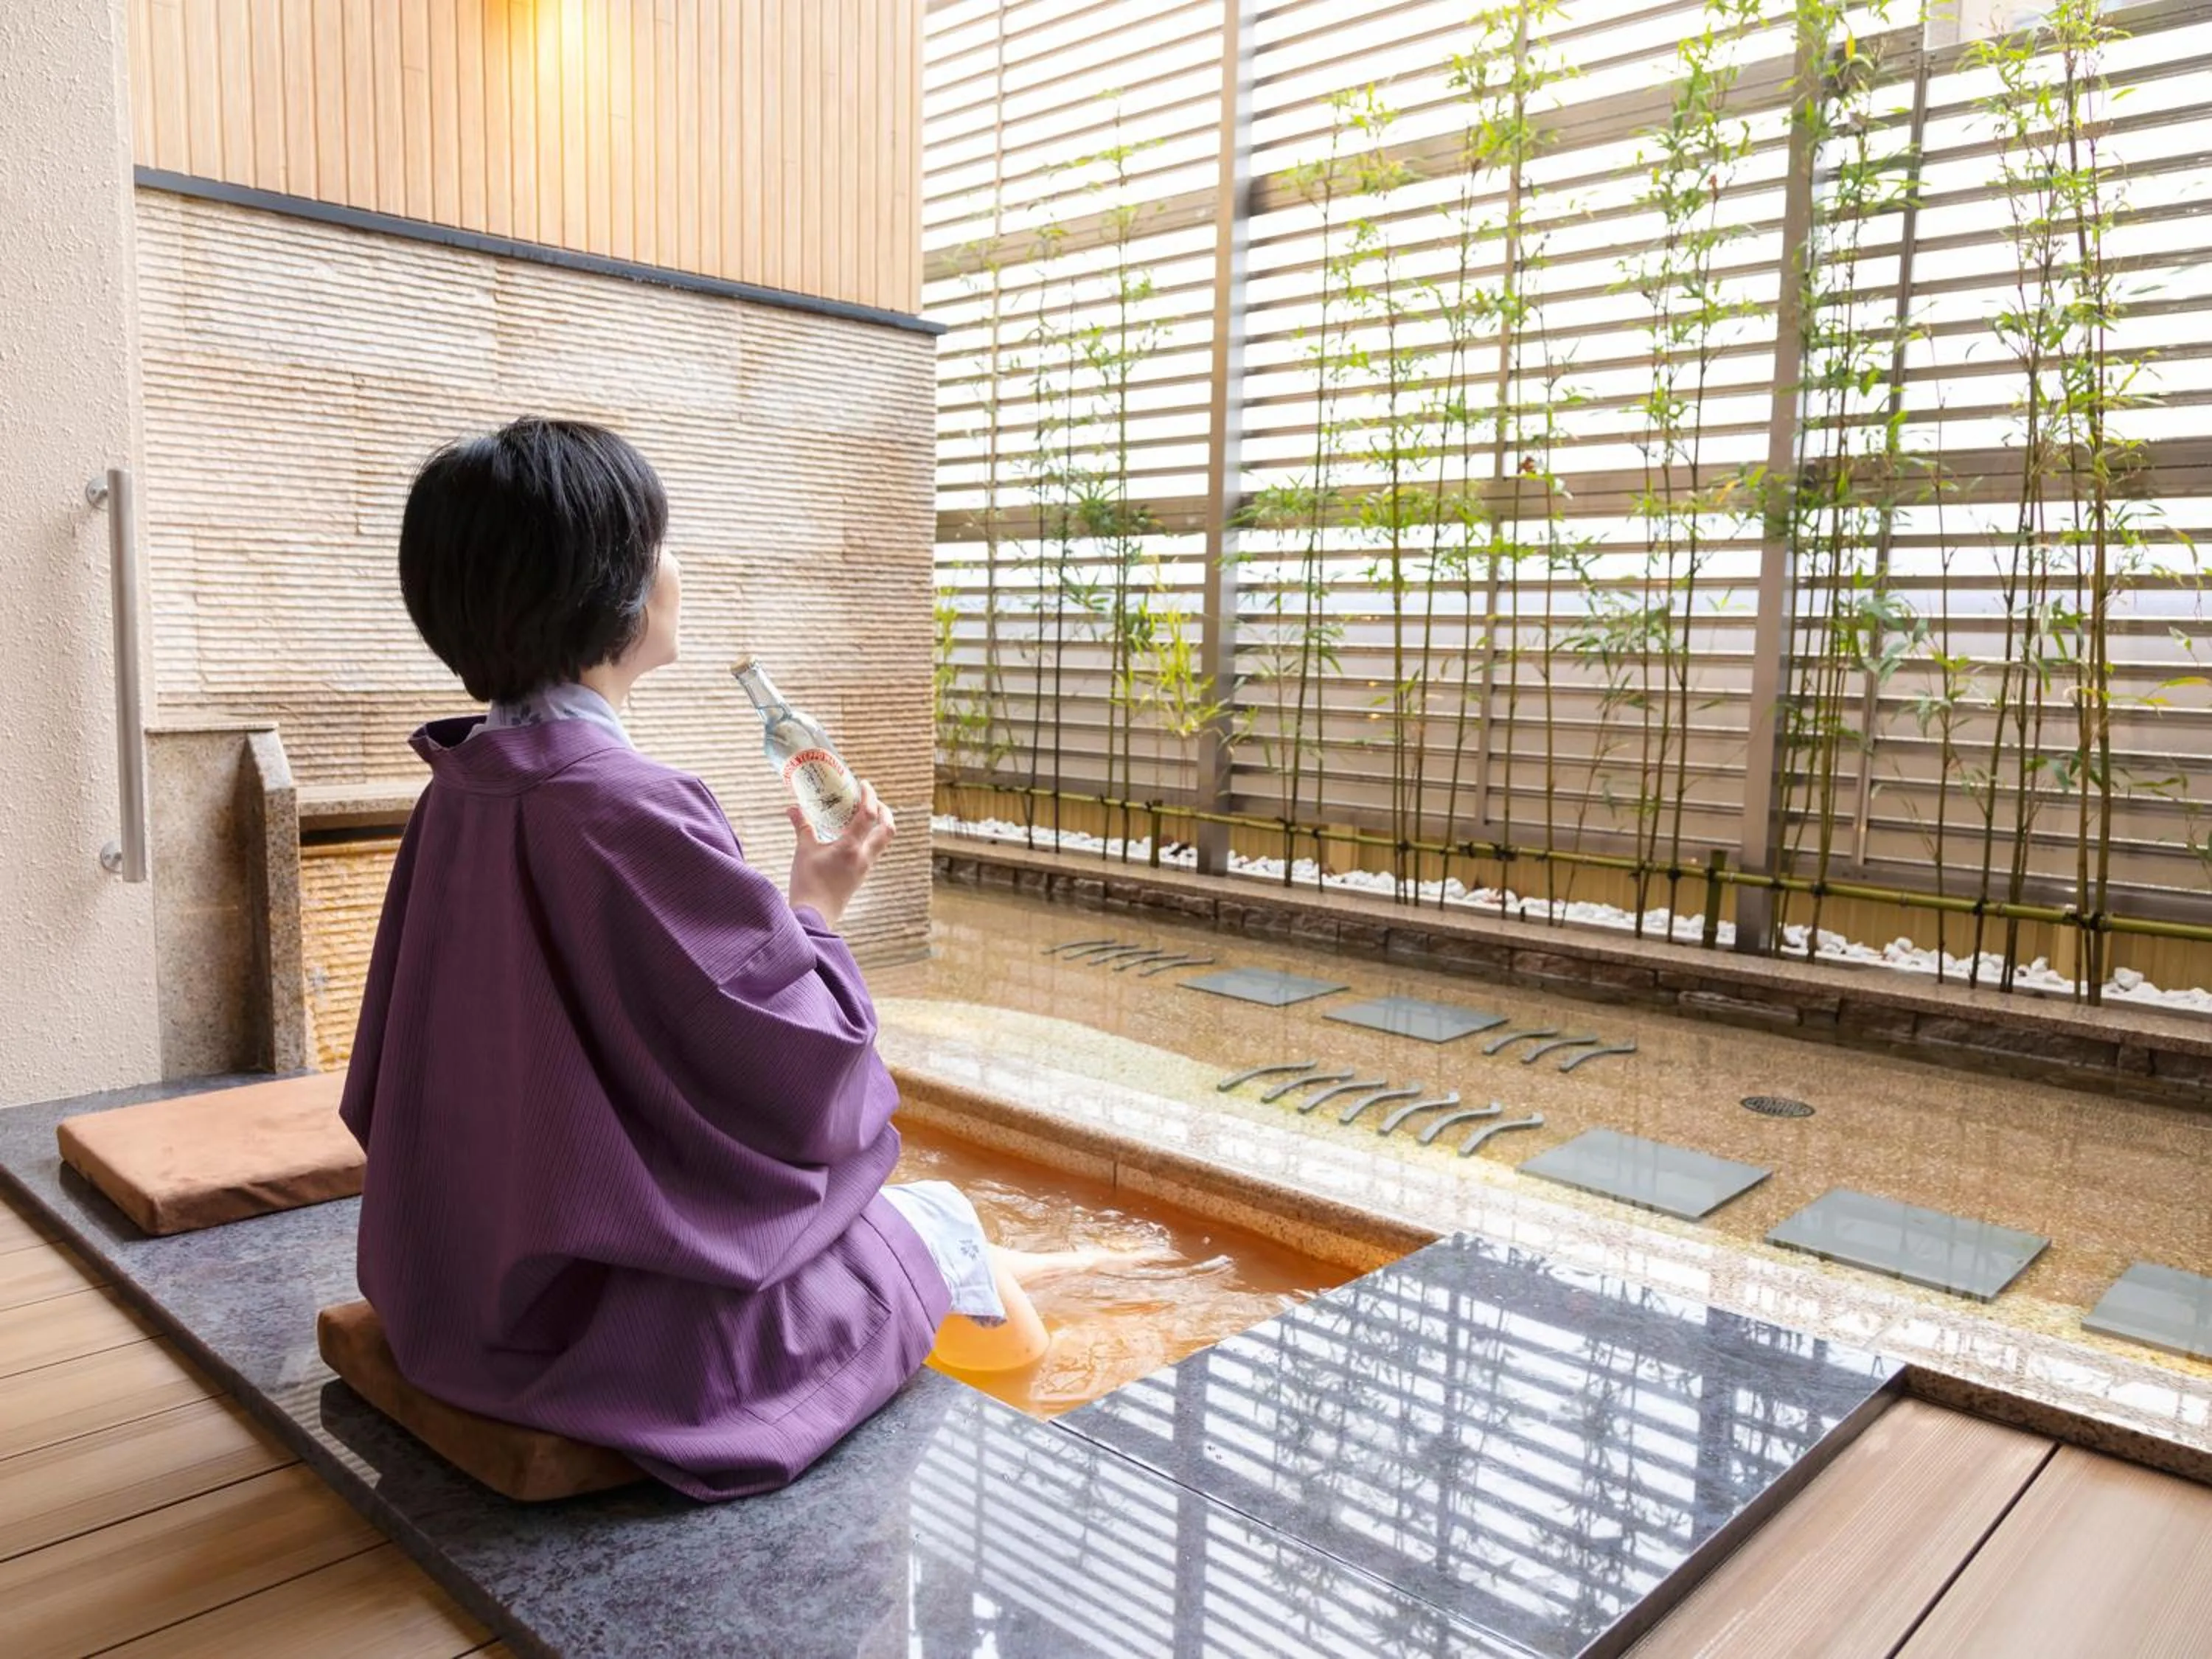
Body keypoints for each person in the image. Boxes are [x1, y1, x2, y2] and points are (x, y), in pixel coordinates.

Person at [339, 416, 1099, 1500]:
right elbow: (808, 1069)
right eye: (661, 543)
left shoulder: (458, 789)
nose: (674, 568)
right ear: (619, 592)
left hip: (463, 1291)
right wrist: (820, 903)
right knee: (944, 1230)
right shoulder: (629, 808)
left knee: (924, 1231)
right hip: (611, 1329)